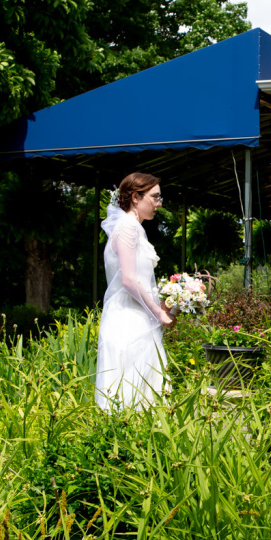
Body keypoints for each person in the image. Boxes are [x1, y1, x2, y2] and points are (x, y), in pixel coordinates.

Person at [96, 172, 173, 410]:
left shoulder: (135, 229)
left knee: (146, 394)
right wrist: (159, 314)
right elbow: (129, 281)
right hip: (127, 322)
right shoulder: (127, 228)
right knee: (130, 395)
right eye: (155, 197)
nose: (158, 204)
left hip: (139, 319)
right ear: (136, 197)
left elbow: (141, 280)